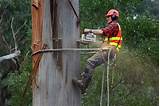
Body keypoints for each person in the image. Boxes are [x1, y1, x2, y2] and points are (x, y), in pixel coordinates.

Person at [73, 9, 122, 94]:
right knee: (91, 63)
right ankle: (84, 78)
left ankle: (83, 84)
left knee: (91, 62)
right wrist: (88, 42)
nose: (107, 18)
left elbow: (103, 31)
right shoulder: (113, 30)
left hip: (109, 51)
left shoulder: (114, 25)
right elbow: (104, 42)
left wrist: (90, 30)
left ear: (113, 17)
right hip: (108, 51)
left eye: (108, 17)